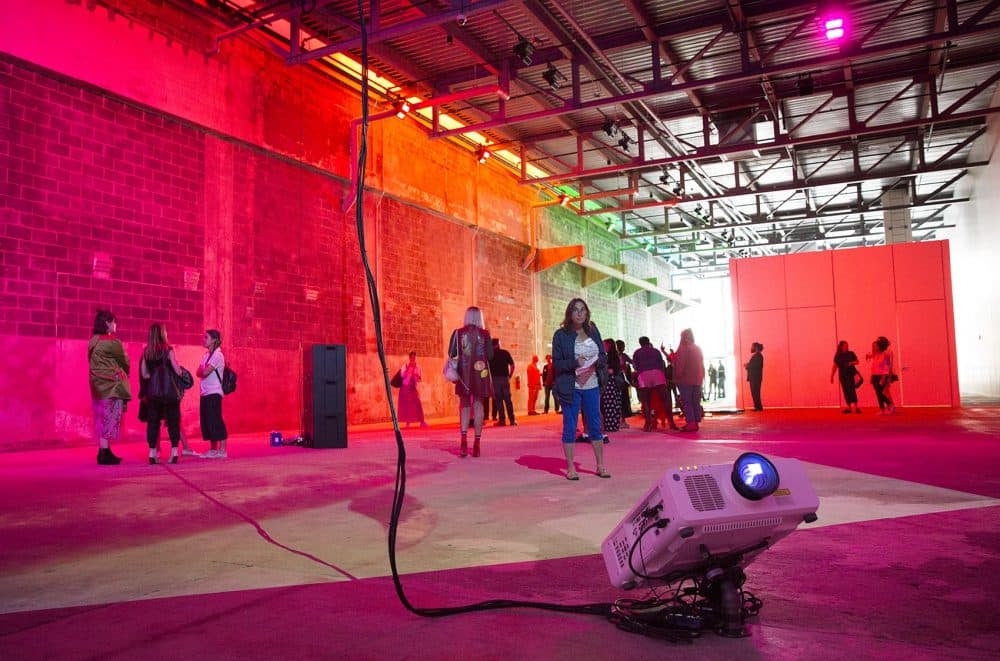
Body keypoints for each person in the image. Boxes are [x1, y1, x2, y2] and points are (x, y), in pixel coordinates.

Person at [552, 298, 610, 481]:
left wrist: (595, 363)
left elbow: (602, 354)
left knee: (595, 426)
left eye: (582, 310)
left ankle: (600, 465)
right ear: (570, 313)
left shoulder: (593, 331)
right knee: (570, 426)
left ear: (587, 313)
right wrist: (576, 363)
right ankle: (570, 468)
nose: (579, 313)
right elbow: (557, 363)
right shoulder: (561, 335)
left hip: (591, 385)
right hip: (572, 386)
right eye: (575, 310)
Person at [448, 306, 494, 457]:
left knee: (465, 406)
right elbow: (491, 355)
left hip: (464, 374)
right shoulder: (485, 334)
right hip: (481, 374)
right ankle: (477, 444)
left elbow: (452, 353)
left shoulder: (458, 333)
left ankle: (463, 442)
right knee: (479, 406)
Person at [88, 309, 131, 465]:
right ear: (107, 323)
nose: (115, 324)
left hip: (96, 385)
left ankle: (103, 450)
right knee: (110, 418)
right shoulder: (113, 342)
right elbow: (124, 362)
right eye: (113, 321)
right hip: (111, 385)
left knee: (100, 418)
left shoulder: (93, 341)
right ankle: (105, 453)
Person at [139, 323, 184, 464]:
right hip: (169, 392)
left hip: (153, 392)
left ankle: (152, 453)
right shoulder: (168, 350)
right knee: (173, 421)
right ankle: (174, 452)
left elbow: (145, 374)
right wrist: (181, 372)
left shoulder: (147, 352)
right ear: (163, 334)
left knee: (153, 422)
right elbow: (177, 370)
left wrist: (155, 376)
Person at [197, 329, 229, 458]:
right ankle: (213, 449)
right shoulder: (206, 355)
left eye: (206, 337)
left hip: (214, 392)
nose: (204, 339)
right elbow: (198, 371)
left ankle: (222, 450)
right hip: (205, 392)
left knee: (215, 420)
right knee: (207, 421)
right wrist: (202, 371)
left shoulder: (218, 355)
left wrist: (203, 371)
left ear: (214, 340)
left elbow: (203, 372)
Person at [636, 338, 675, 432]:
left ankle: (647, 424)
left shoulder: (637, 352)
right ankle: (671, 422)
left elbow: (635, 365)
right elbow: (661, 363)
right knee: (665, 399)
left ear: (640, 343)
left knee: (646, 401)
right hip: (657, 374)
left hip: (644, 374)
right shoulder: (656, 351)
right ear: (648, 342)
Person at [673, 329, 705, 431]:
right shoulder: (697, 348)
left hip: (685, 379)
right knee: (695, 402)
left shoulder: (683, 348)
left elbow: (680, 365)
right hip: (697, 380)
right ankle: (696, 422)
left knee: (687, 402)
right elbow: (701, 364)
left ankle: (691, 423)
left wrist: (676, 376)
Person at [397, 351, 429, 428]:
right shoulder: (405, 365)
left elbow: (419, 378)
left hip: (413, 388)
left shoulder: (418, 367)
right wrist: (408, 370)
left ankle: (422, 421)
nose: (413, 359)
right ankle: (408, 423)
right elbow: (402, 375)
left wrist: (415, 376)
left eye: (414, 357)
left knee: (418, 403)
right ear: (409, 357)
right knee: (407, 405)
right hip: (405, 387)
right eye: (412, 357)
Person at [489, 338, 516, 426]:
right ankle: (512, 420)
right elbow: (512, 365)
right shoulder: (505, 353)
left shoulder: (490, 355)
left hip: (495, 379)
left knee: (499, 400)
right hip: (505, 379)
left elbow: (486, 369)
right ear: (498, 344)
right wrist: (510, 375)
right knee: (508, 400)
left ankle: (502, 420)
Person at [866, 336, 896, 415]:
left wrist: (883, 377)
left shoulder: (885, 354)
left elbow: (886, 367)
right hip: (874, 376)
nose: (874, 348)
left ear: (879, 346)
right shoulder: (875, 355)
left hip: (882, 376)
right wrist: (871, 376)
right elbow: (873, 367)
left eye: (875, 346)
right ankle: (882, 409)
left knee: (880, 392)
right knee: (878, 393)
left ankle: (890, 404)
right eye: (873, 346)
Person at [830, 340, 862, 414]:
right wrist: (832, 376)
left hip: (851, 374)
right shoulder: (838, 355)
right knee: (845, 390)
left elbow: (857, 361)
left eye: (847, 345)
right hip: (842, 375)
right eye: (845, 345)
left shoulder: (851, 353)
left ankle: (855, 405)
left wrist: (851, 362)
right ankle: (849, 406)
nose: (847, 346)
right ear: (841, 347)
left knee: (851, 389)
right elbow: (835, 366)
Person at [600, 339, 623, 432]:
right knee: (613, 404)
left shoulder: (610, 357)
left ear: (609, 345)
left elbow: (611, 370)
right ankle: (613, 424)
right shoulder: (614, 356)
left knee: (609, 404)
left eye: (604, 345)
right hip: (613, 383)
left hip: (610, 382)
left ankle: (610, 425)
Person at [615, 339, 635, 417]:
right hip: (618, 377)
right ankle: (620, 414)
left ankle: (624, 414)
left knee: (624, 395)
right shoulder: (616, 355)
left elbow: (632, 362)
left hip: (623, 377)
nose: (623, 347)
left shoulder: (623, 355)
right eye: (622, 346)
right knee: (621, 396)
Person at [745, 342, 764, 411]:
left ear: (755, 348)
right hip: (754, 378)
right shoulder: (757, 356)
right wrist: (748, 365)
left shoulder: (758, 356)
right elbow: (755, 365)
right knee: (755, 392)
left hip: (755, 378)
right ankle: (757, 407)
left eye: (752, 346)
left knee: (755, 392)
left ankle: (758, 407)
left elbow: (756, 366)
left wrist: (748, 366)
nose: (751, 348)